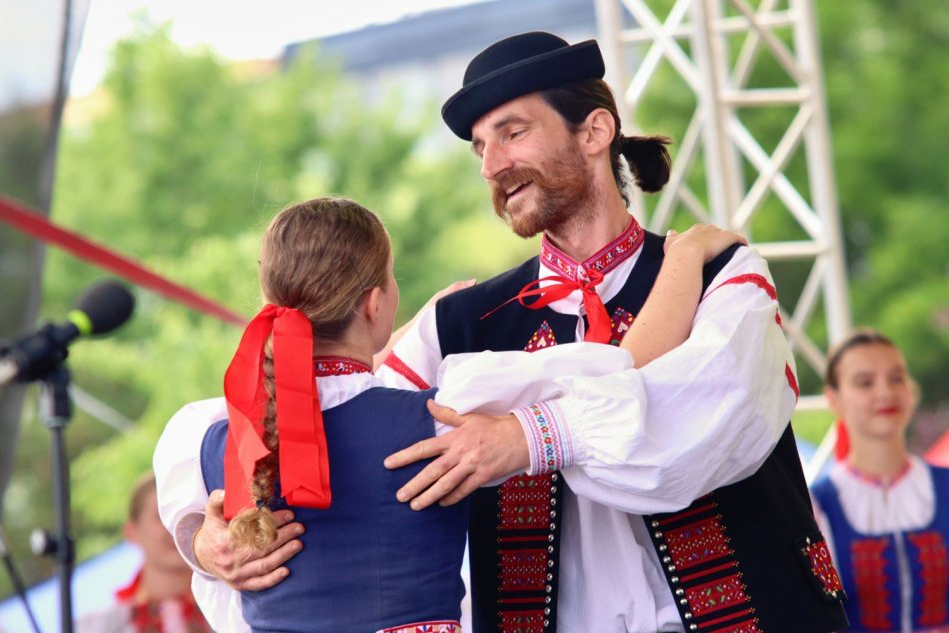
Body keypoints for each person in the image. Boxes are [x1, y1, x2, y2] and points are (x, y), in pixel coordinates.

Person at [164, 32, 848, 633]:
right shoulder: (459, 324)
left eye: (512, 133)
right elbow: (304, 411)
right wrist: (205, 537)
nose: (491, 165)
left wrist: (528, 437)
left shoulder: (723, 272)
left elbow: (705, 412)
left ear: (594, 131)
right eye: (480, 148)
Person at [155, 196, 743, 632]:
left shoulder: (215, 442)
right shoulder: (442, 418)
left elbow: (325, 396)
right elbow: (625, 372)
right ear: (374, 303)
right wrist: (685, 256)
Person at [811, 329, 949, 632]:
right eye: (865, 383)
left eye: (896, 378)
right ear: (834, 399)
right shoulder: (817, 508)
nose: (885, 392)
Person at [76, 472, 212, 633]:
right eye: (161, 517)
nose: (175, 528)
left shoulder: (227, 606)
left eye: (184, 515)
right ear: (132, 532)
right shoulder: (96, 626)